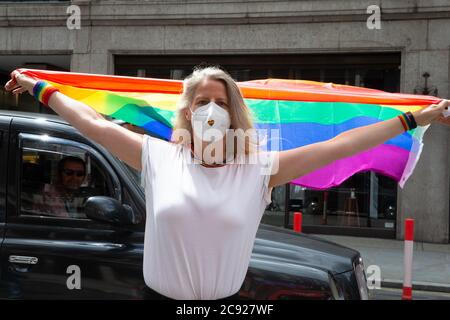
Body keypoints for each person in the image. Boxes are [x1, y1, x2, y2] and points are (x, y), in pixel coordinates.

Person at [5, 67, 448, 300]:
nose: (212, 110)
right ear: (187, 112)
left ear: (234, 112)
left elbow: (343, 144)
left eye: (221, 102)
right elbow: (90, 122)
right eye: (202, 102)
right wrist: (40, 86)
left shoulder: (261, 169)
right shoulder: (156, 156)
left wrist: (413, 118)